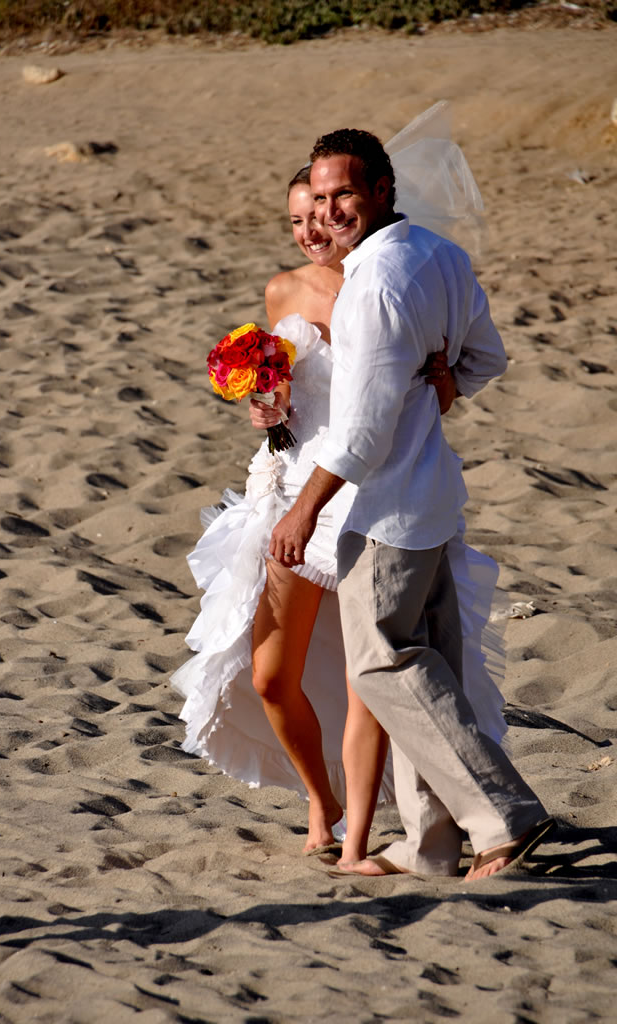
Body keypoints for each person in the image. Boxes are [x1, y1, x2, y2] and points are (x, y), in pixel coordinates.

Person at [171, 107, 510, 864]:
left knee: (371, 682)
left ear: (376, 196)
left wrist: (445, 383)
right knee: (268, 675)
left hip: (357, 501)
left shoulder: (377, 288)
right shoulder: (284, 292)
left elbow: (391, 408)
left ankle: (356, 840)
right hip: (293, 488)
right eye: (300, 216)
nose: (312, 229)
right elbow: (291, 405)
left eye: (324, 211)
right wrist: (268, 405)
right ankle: (321, 807)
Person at [269, 127, 554, 881]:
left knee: (387, 670)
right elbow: (486, 357)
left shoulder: (376, 284)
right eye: (319, 197)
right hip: (431, 503)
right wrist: (446, 380)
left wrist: (302, 512)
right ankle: (429, 845)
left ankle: (506, 815)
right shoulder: (439, 254)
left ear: (383, 190)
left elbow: (361, 435)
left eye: (345, 196)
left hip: (386, 512)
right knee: (428, 670)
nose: (329, 213)